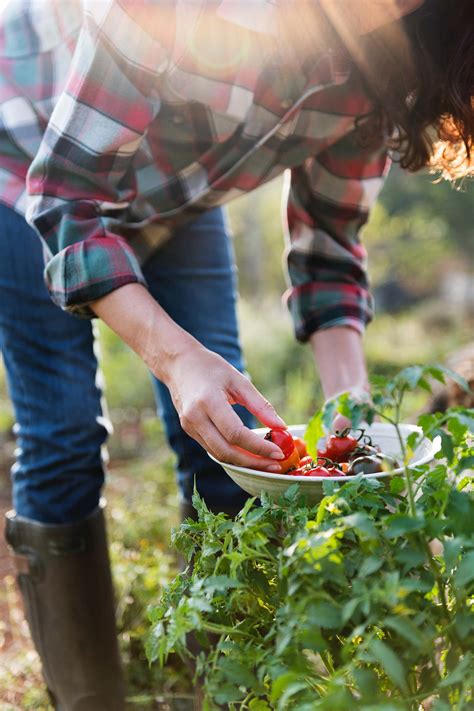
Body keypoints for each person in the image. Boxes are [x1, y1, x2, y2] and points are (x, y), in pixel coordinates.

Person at [1, 0, 472, 708]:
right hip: (28, 151)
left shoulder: (388, 60)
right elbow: (67, 198)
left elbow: (329, 247)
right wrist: (176, 359)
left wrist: (355, 412)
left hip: (174, 198)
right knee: (65, 432)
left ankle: (226, 691)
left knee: (234, 448)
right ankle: (89, 698)